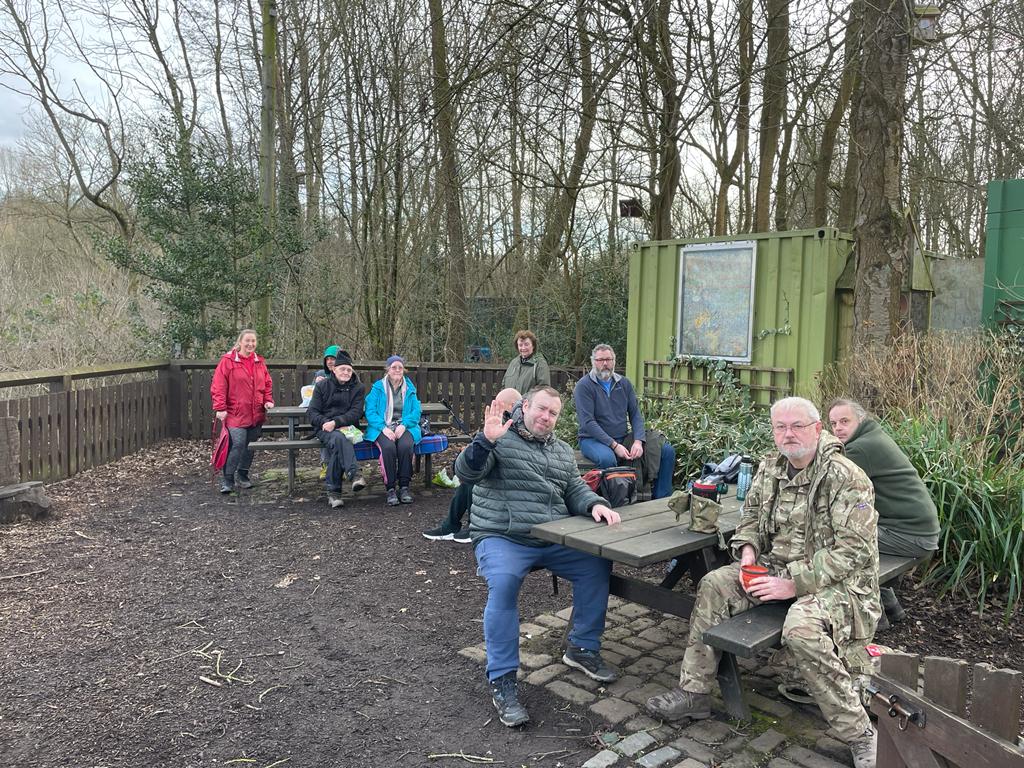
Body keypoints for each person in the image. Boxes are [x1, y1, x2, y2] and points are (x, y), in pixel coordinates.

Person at [645, 397, 880, 768]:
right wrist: (749, 552)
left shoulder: (846, 478)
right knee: (713, 584)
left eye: (797, 426)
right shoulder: (771, 468)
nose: (788, 435)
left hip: (837, 583)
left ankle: (860, 734)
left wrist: (793, 584)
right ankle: (695, 694)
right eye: (780, 427)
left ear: (818, 429)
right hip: (773, 567)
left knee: (801, 631)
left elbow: (856, 551)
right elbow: (751, 515)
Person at [456, 385, 622, 727]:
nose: (546, 418)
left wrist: (596, 505)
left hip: (551, 536)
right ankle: (502, 679)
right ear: (525, 406)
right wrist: (484, 441)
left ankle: (581, 647)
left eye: (553, 413)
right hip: (502, 535)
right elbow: (467, 473)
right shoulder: (498, 437)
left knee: (597, 562)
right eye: (541, 409)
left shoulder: (561, 451)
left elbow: (574, 488)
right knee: (503, 585)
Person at [828, 398, 940, 625]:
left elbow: (828, 486)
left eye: (844, 421)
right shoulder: (873, 437)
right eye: (833, 423)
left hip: (911, 536)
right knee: (854, 532)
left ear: (860, 420)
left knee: (841, 541)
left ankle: (873, 621)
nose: (838, 428)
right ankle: (891, 607)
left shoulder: (861, 448)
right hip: (916, 531)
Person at [574, 343, 676, 499]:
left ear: (614, 361)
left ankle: (660, 499)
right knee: (608, 459)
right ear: (593, 362)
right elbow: (588, 422)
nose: (605, 364)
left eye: (608, 359)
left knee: (667, 451)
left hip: (622, 438)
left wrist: (638, 441)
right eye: (600, 360)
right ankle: (617, 503)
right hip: (592, 440)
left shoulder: (624, 383)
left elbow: (635, 414)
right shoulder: (584, 386)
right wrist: (614, 445)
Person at [421, 387, 521, 543]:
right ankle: (451, 526)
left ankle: (472, 526)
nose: (496, 408)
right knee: (468, 478)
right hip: (496, 470)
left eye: (500, 405)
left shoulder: (520, 427)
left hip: (509, 481)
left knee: (473, 480)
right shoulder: (501, 424)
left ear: (513, 405)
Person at [210, 329, 275, 494]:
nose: (250, 344)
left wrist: (268, 400)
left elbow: (267, 383)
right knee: (237, 444)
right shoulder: (228, 361)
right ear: (240, 342)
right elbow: (218, 385)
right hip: (234, 412)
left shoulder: (259, 361)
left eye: (253, 341)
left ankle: (243, 475)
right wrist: (220, 407)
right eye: (247, 341)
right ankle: (228, 479)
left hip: (256, 412)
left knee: (249, 445)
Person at [308, 349, 367, 509]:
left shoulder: (358, 388)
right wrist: (327, 423)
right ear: (334, 369)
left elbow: (356, 412)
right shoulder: (321, 386)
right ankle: (354, 474)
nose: (346, 372)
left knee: (339, 443)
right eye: (342, 369)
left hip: (348, 427)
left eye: (349, 369)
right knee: (340, 439)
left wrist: (337, 422)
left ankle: (334, 493)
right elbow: (312, 412)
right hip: (324, 428)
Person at [365, 355, 422, 506]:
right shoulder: (378, 388)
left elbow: (416, 411)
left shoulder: (410, 388)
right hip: (382, 427)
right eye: (394, 367)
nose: (397, 370)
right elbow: (370, 411)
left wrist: (404, 425)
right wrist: (384, 428)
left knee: (405, 446)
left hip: (405, 426)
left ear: (404, 370)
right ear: (388, 370)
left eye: (400, 367)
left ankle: (404, 487)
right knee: (388, 447)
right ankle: (390, 488)